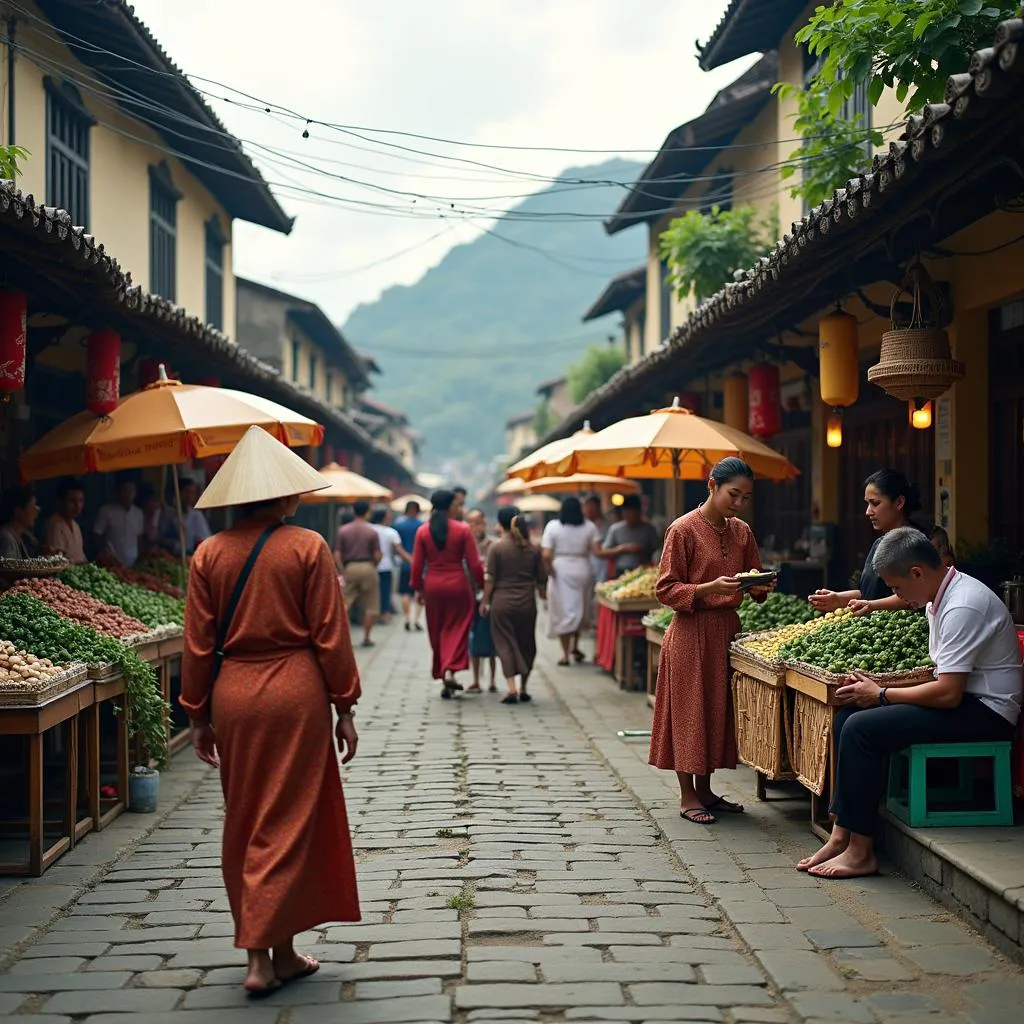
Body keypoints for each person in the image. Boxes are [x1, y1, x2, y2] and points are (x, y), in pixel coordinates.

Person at [180, 425, 360, 996]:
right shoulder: (307, 547)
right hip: (297, 691)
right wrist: (345, 705)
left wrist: (197, 714)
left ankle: (276, 953)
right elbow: (330, 637)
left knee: (248, 817)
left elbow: (198, 644)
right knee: (293, 818)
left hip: (235, 692)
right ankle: (261, 957)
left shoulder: (209, 552)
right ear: (285, 495)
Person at [798, 527, 1022, 879]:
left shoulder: (962, 604)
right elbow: (942, 678)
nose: (896, 596)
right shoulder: (941, 594)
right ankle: (842, 833)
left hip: (987, 712)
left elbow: (947, 693)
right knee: (848, 716)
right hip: (963, 699)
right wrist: (872, 689)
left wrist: (882, 694)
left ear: (917, 572)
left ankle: (861, 853)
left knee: (861, 728)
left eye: (897, 588)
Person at [648, 458, 771, 825]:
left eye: (746, 498)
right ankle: (687, 795)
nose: (738, 503)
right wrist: (708, 588)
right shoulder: (682, 529)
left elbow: (753, 580)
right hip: (690, 631)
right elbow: (665, 589)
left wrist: (761, 586)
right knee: (689, 712)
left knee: (716, 711)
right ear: (713, 485)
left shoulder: (742, 532)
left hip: (726, 631)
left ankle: (706, 790)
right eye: (733, 494)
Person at [810, 469, 926, 617]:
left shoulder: (915, 544)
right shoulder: (880, 543)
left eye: (875, 503)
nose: (868, 511)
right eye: (867, 503)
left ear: (899, 502)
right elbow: (870, 592)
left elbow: (913, 596)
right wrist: (838, 599)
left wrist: (872, 606)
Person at [411, 489, 484, 698]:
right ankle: (451, 669)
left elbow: (417, 566)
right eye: (456, 505)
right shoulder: (462, 530)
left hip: (433, 586)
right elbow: (474, 564)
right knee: (458, 629)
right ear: (450, 506)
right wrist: (481, 584)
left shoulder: (423, 532)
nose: (458, 508)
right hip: (458, 586)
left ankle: (445, 673)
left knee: (437, 630)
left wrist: (418, 588)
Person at [482, 506, 547, 704]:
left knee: (505, 644)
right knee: (527, 643)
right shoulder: (533, 548)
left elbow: (490, 578)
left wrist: (485, 601)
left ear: (501, 524)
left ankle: (511, 688)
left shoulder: (497, 547)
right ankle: (524, 687)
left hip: (502, 603)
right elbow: (541, 580)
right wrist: (544, 598)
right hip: (527, 603)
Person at [541, 497, 600, 666]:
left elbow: (545, 555)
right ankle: (575, 646)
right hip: (582, 568)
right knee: (579, 609)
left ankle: (565, 654)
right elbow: (597, 551)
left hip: (561, 570)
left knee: (563, 611)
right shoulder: (589, 526)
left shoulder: (553, 527)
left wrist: (550, 571)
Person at [334, 500, 381, 648]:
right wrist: (373, 566)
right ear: (367, 512)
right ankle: (366, 637)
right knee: (371, 605)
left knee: (345, 602)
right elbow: (378, 554)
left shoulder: (343, 530)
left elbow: (336, 554)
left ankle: (345, 637)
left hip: (350, 567)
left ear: (353, 511)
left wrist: (342, 570)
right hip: (368, 566)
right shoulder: (372, 531)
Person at [465, 508, 498, 693]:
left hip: (489, 598)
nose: (474, 527)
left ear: (484, 524)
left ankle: (493, 680)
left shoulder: (492, 545)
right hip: (470, 596)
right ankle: (476, 679)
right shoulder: (464, 545)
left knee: (492, 640)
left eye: (477, 523)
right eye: (470, 523)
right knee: (475, 641)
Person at [597, 493, 661, 579]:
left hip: (644, 572)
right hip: (621, 571)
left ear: (638, 513)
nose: (627, 516)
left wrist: (641, 550)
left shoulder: (649, 529)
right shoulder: (615, 529)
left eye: (630, 514)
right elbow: (604, 552)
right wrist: (621, 549)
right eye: (625, 513)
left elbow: (657, 549)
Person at [93, 474, 145, 567]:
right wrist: (104, 555)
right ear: (118, 491)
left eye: (131, 490)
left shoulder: (138, 513)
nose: (128, 494)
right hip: (112, 563)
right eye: (125, 490)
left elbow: (139, 538)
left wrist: (140, 559)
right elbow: (97, 535)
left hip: (133, 562)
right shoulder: (106, 510)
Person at [370, 507, 408, 626]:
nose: (390, 517)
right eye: (388, 515)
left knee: (372, 592)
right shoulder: (390, 532)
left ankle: (371, 615)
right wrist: (412, 561)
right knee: (385, 591)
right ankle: (384, 615)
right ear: (384, 517)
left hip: (371, 565)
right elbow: (399, 550)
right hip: (386, 566)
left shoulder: (369, 529)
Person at [159, 477, 212, 556]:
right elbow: (160, 538)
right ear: (178, 493)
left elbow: (204, 540)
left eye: (192, 493)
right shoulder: (167, 514)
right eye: (187, 492)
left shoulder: (196, 516)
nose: (190, 496)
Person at [394, 500, 424, 632]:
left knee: (405, 592)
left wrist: (406, 558)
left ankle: (406, 618)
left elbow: (396, 546)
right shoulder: (423, 526)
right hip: (421, 563)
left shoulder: (398, 526)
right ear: (417, 511)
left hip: (405, 564)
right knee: (419, 592)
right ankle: (416, 620)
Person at [42, 478, 86, 564]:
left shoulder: (76, 525)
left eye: (81, 501)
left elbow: (80, 556)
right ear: (61, 501)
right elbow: (57, 561)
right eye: (72, 501)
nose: (77, 506)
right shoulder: (54, 525)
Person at [0, 487, 40, 560]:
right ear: (18, 512)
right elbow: (7, 570)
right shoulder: (7, 539)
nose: (36, 513)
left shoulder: (19, 537)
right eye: (32, 507)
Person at [583, 495, 609, 586]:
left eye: (592, 506)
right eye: (587, 506)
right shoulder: (582, 525)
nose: (589, 509)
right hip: (586, 563)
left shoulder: (607, 525)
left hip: (603, 564)